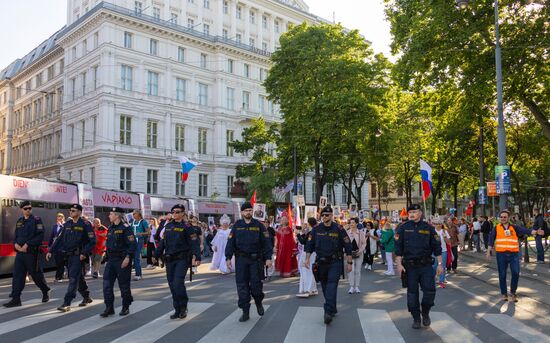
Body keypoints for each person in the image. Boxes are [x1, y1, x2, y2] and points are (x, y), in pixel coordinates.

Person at [395, 204, 442, 330]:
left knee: (430, 291)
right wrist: (399, 264)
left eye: (414, 212)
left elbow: (437, 247)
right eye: (410, 212)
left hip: (426, 266)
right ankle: (416, 318)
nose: (411, 214)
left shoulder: (429, 228)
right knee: (412, 294)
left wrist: (440, 264)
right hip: (410, 267)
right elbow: (398, 248)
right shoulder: (403, 228)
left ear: (420, 213)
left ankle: (425, 312)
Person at [304, 205, 352, 325]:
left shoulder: (339, 229)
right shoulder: (316, 229)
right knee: (325, 287)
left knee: (331, 284)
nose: (324, 217)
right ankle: (333, 307)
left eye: (327, 215)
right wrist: (307, 259)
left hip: (335, 262)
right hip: (321, 262)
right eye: (323, 215)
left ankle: (327, 312)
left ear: (331, 216)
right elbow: (309, 245)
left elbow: (348, 245)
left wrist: (350, 262)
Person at [225, 202, 273, 322]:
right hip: (241, 260)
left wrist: (268, 258)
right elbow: (230, 243)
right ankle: (245, 311)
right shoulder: (237, 226)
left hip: (256, 260)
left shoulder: (259, 225)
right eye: (246, 210)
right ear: (242, 212)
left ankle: (258, 302)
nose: (248, 212)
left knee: (256, 286)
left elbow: (267, 243)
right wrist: (228, 257)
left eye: (250, 210)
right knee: (242, 286)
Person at [154, 204, 201, 319]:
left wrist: (197, 257)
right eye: (173, 212)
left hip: (182, 259)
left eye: (178, 212)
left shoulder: (187, 226)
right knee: (172, 285)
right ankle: (177, 309)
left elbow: (194, 243)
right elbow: (163, 243)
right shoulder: (168, 226)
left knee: (177, 283)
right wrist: (156, 254)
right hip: (170, 259)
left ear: (183, 213)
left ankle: (183, 307)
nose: (175, 214)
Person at [47, 204, 95, 312]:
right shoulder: (67, 224)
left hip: (79, 256)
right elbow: (59, 239)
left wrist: (84, 253)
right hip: (68, 255)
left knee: (73, 278)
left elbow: (92, 241)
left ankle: (66, 302)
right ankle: (86, 297)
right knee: (78, 277)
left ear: (79, 212)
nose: (71, 212)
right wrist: (50, 250)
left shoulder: (86, 224)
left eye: (73, 210)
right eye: (70, 210)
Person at [3, 201, 51, 308]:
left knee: (36, 275)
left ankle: (45, 290)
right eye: (26, 208)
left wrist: (27, 244)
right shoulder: (19, 221)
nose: (28, 210)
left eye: (30, 208)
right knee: (18, 276)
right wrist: (15, 244)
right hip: (20, 253)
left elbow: (40, 235)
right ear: (22, 210)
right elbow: (16, 236)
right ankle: (16, 299)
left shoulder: (37, 220)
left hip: (31, 253)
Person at [486, 210, 540, 302]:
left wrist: (535, 232)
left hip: (513, 255)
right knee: (502, 274)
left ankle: (513, 292)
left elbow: (525, 230)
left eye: (505, 217)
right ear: (500, 218)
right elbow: (491, 239)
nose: (503, 218)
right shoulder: (496, 228)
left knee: (515, 273)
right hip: (501, 255)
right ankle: (504, 293)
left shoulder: (514, 227)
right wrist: (488, 251)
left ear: (508, 218)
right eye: (501, 217)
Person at [100, 207, 137, 317]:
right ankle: (109, 308)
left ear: (117, 215)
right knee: (106, 285)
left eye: (111, 214)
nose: (109, 216)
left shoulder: (126, 228)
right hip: (111, 260)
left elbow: (132, 244)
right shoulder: (111, 228)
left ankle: (125, 306)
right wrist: (105, 255)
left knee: (124, 285)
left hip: (122, 260)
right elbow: (109, 243)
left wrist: (128, 258)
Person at [296, 218, 318, 298]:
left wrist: (298, 234)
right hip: (311, 253)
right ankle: (313, 289)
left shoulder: (312, 232)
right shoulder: (313, 231)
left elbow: (306, 243)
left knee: (306, 270)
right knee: (307, 270)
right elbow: (305, 241)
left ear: (309, 223)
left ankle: (307, 290)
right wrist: (300, 234)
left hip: (308, 253)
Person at [347, 217, 366, 293]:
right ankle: (351, 286)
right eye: (351, 223)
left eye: (353, 223)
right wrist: (346, 252)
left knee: (357, 271)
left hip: (359, 254)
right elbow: (345, 243)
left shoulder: (360, 233)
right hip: (350, 254)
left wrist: (360, 251)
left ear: (357, 224)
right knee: (351, 270)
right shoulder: (347, 232)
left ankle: (357, 286)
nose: (351, 224)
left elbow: (364, 243)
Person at [130, 210, 149, 281]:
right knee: (132, 257)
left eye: (135, 213)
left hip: (139, 241)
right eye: (133, 213)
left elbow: (148, 232)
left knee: (136, 257)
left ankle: (138, 275)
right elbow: (130, 231)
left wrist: (141, 234)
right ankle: (139, 274)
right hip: (132, 241)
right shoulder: (132, 222)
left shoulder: (143, 222)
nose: (133, 214)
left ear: (139, 214)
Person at [432, 218, 450, 288]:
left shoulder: (444, 231)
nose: (436, 225)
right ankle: (432, 279)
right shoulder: (432, 231)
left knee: (442, 266)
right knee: (434, 266)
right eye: (435, 224)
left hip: (443, 251)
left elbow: (448, 242)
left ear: (440, 224)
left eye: (437, 224)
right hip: (434, 252)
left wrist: (444, 236)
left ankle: (441, 281)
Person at [49, 213, 66, 282]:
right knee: (58, 262)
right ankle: (60, 275)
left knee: (60, 262)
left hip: (63, 247)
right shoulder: (54, 226)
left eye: (61, 218)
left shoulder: (65, 226)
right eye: (58, 217)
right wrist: (49, 246)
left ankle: (59, 277)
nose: (59, 219)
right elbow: (52, 236)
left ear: (63, 218)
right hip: (55, 247)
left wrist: (61, 226)